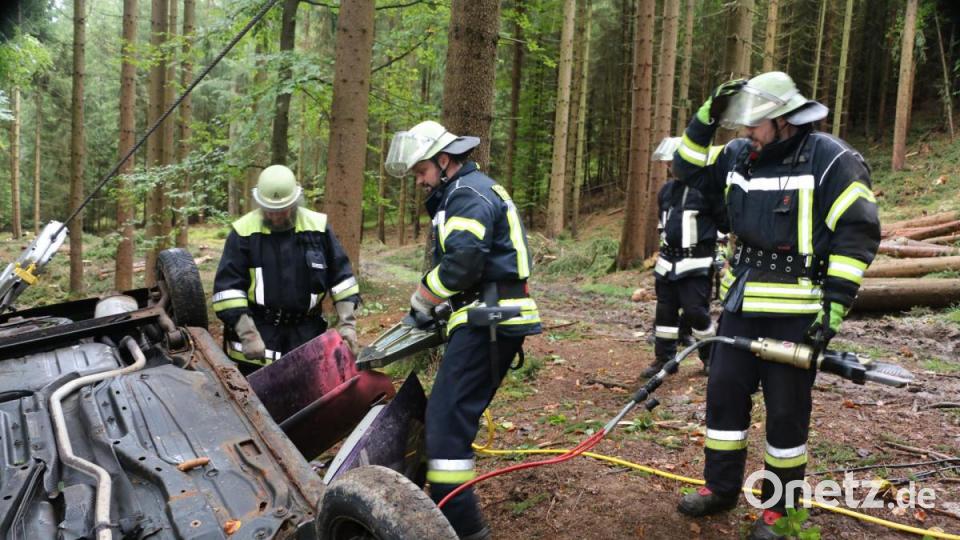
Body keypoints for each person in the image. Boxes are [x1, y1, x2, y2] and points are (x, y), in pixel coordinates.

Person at [672, 72, 880, 539]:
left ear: (785, 119)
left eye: (757, 121)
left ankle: (781, 509)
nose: (747, 131)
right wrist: (707, 114)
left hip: (796, 315)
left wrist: (832, 312)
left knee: (786, 413)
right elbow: (686, 169)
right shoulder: (738, 156)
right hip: (741, 306)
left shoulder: (831, 160)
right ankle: (720, 487)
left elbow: (857, 233)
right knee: (723, 397)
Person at [385, 120, 541, 540]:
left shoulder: (465, 196)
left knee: (445, 430)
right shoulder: (467, 191)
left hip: (488, 320)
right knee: (449, 420)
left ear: (444, 160)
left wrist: (423, 297)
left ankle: (465, 530)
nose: (419, 182)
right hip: (485, 318)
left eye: (421, 172)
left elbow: (463, 263)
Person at [212, 164, 360, 375]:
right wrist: (248, 334)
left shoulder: (317, 228)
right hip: (260, 339)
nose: (276, 216)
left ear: (296, 201)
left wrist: (347, 325)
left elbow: (342, 279)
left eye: (282, 210)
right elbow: (228, 290)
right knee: (256, 405)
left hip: (307, 335)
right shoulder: (243, 233)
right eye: (270, 211)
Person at [641, 136, 725, 379]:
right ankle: (664, 359)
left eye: (673, 162)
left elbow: (724, 223)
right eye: (668, 163)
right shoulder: (666, 191)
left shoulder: (709, 190)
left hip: (697, 263)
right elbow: (663, 225)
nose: (670, 166)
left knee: (696, 312)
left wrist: (719, 256)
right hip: (668, 264)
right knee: (664, 313)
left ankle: (709, 357)